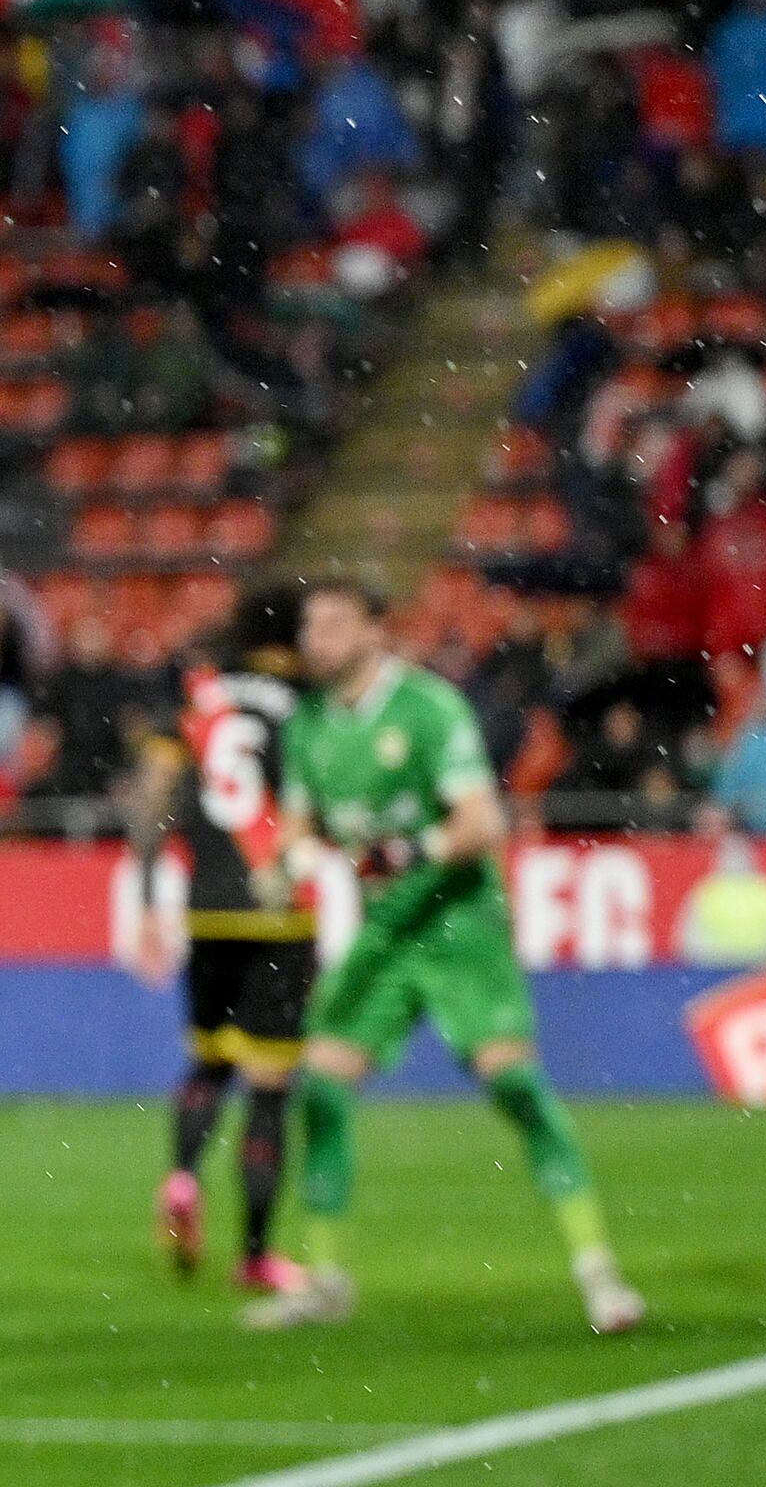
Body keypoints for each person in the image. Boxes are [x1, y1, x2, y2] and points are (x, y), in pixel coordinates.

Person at [247, 572, 644, 1336]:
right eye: (308, 625)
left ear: (374, 631)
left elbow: (482, 820)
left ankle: (599, 1272)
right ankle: (326, 1277)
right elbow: (299, 826)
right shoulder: (307, 726)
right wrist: (282, 865)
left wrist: (409, 847)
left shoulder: (427, 707)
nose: (315, 639)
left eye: (333, 623)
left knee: (517, 1088)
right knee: (322, 1090)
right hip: (383, 934)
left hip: (459, 924)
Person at [134, 585, 315, 1298]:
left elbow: (151, 799)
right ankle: (256, 1253)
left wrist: (150, 896)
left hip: (205, 910)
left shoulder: (197, 699)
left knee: (207, 1063)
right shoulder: (307, 701)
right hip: (278, 910)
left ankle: (181, 1177)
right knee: (269, 1089)